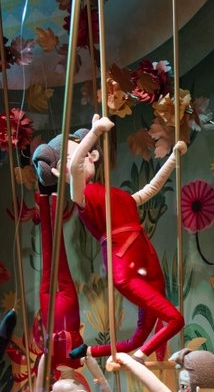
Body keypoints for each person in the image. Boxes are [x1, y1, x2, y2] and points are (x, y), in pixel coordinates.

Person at [62, 117, 186, 360]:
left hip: (148, 260)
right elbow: (76, 167)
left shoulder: (117, 195)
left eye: (82, 154)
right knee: (175, 319)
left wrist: (173, 158)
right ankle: (141, 357)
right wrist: (95, 132)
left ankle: (89, 351)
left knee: (139, 337)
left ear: (93, 157)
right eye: (67, 160)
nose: (76, 161)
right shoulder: (81, 196)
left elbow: (151, 189)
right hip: (125, 265)